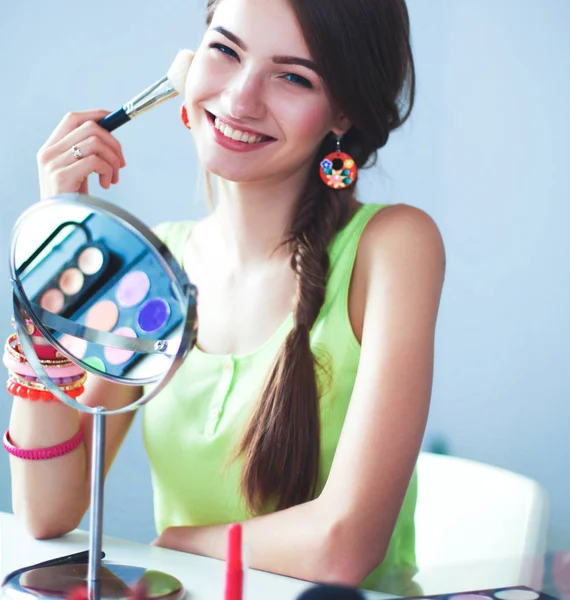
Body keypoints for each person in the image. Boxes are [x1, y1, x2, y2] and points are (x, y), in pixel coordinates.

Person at [7, 0, 445, 594]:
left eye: (293, 76)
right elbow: (47, 512)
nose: (241, 100)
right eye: (225, 50)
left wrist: (180, 545)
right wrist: (56, 249)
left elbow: (343, 547)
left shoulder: (393, 246)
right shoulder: (153, 263)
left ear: (342, 111)